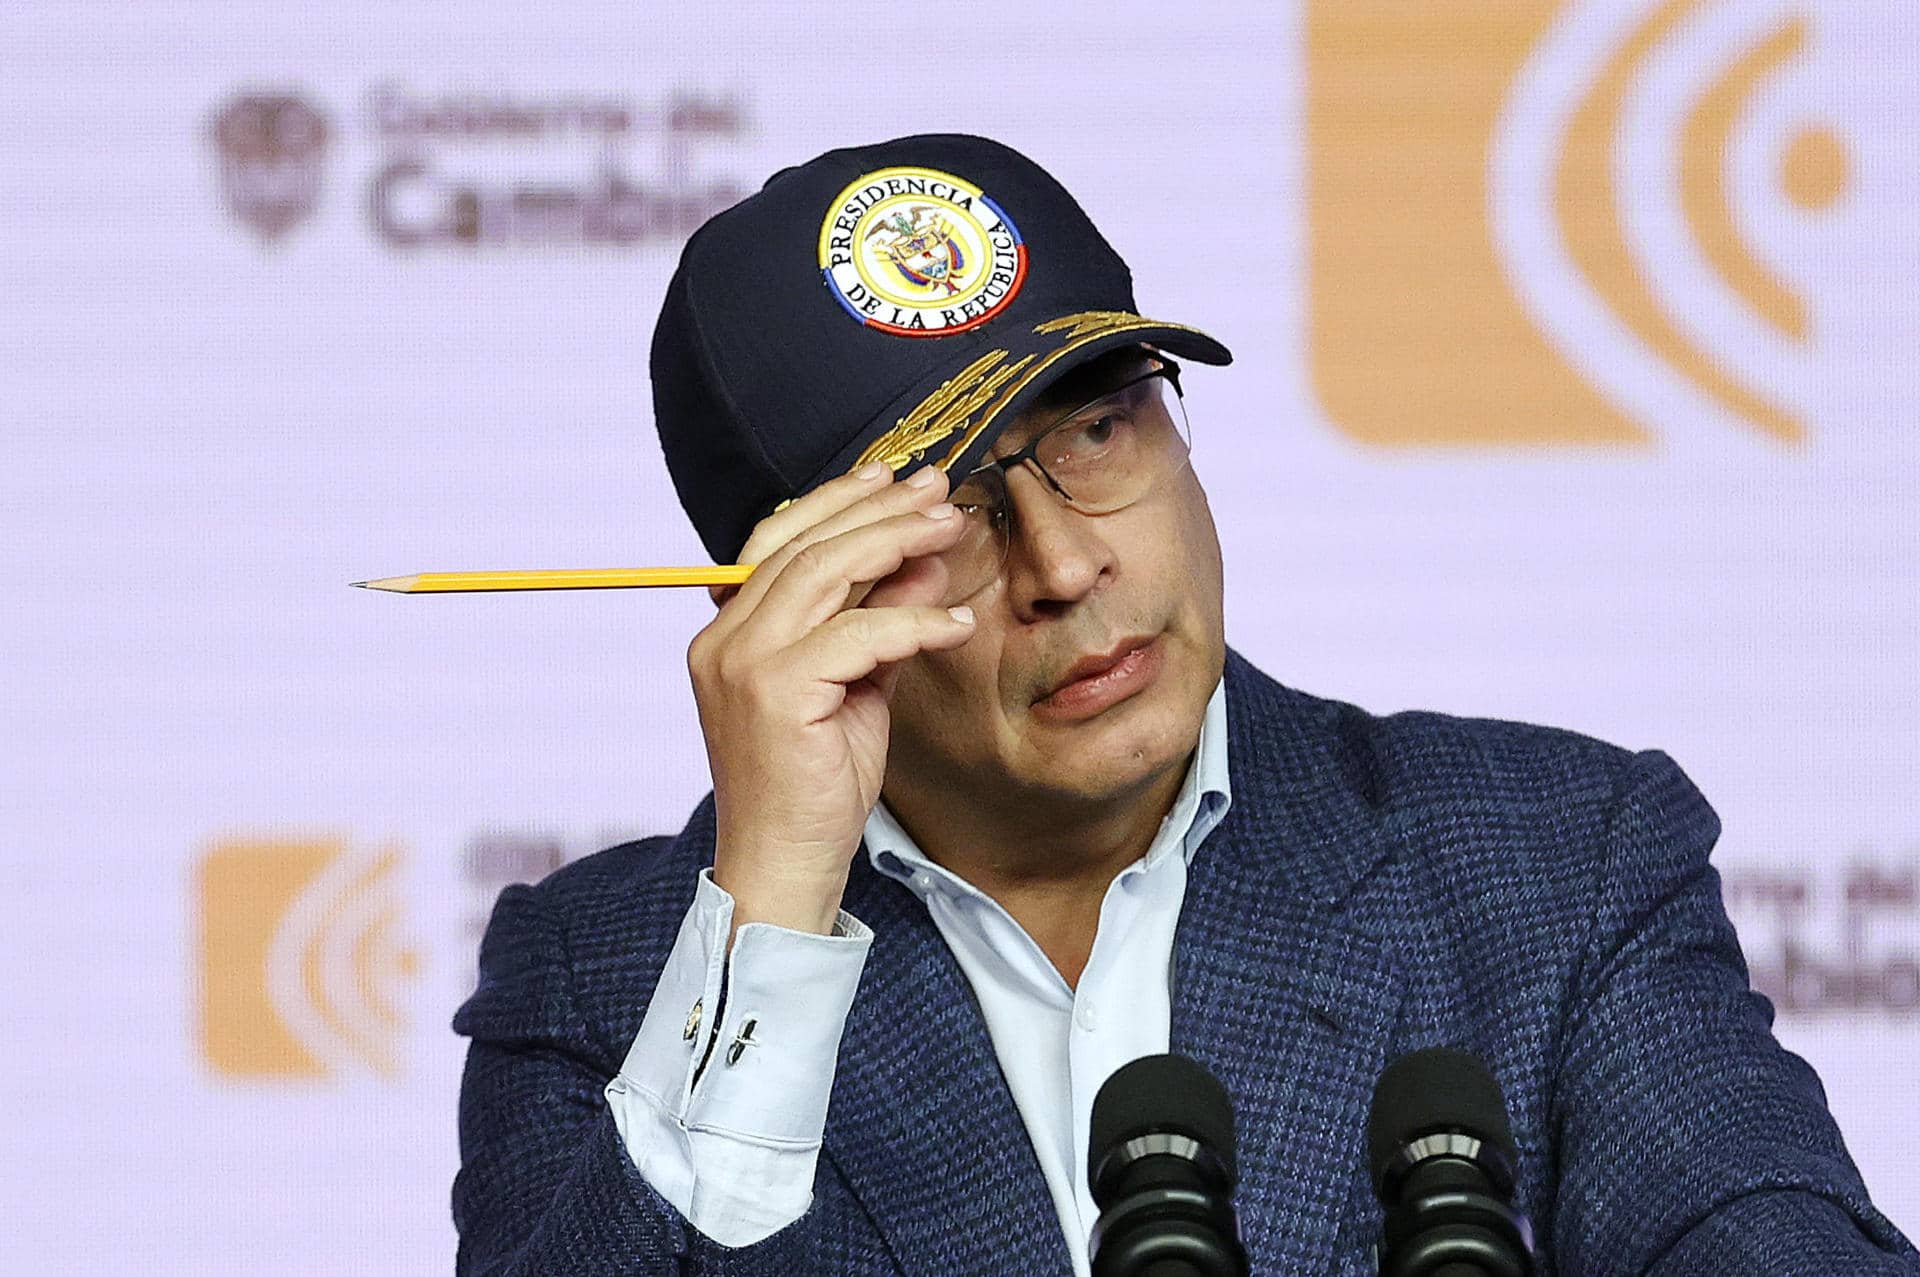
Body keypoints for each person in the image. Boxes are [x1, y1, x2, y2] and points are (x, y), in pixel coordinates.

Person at [450, 133, 1917, 1276]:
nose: (1069, 558)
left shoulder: (1555, 866)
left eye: (1101, 423)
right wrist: (770, 907)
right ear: (774, 611)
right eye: (946, 509)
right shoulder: (605, 981)